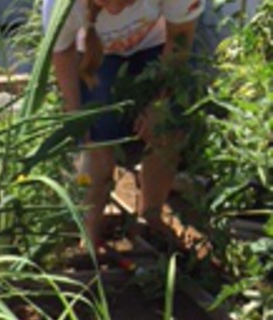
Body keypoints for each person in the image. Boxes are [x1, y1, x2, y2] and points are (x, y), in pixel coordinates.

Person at [42, 0, 204, 249]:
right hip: (97, 51)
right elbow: (62, 52)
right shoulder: (61, 5)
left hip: (161, 44)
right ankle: (90, 226)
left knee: (168, 124)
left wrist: (159, 105)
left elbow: (180, 39)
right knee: (99, 133)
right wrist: (76, 116)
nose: (116, 10)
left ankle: (151, 215)